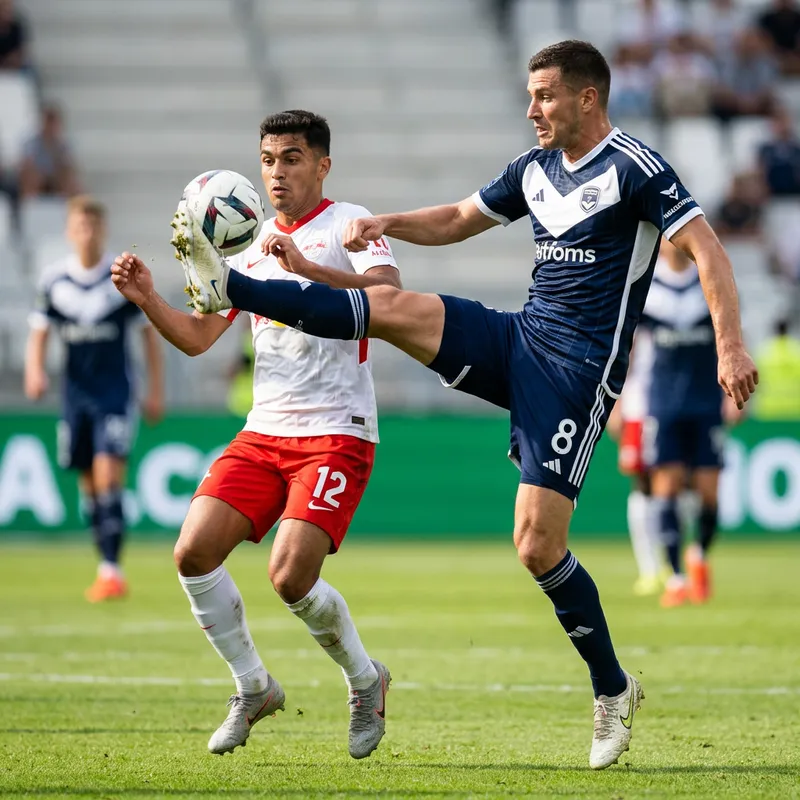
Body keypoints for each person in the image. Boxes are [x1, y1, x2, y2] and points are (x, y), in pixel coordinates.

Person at [148, 41, 758, 770]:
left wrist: (731, 348)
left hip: (577, 375)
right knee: (393, 308)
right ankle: (238, 289)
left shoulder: (637, 167)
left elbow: (708, 250)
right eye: (531, 96)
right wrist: (389, 224)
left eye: (545, 96)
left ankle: (612, 687)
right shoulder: (532, 170)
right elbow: (460, 218)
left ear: (587, 99)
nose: (531, 109)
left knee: (536, 545)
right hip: (520, 336)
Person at [111, 111, 399, 759]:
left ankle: (364, 678)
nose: (277, 171)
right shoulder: (243, 239)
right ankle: (253, 686)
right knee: (191, 554)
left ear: (322, 165)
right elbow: (198, 337)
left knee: (290, 577)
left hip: (336, 432)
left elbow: (388, 301)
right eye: (269, 159)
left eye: (292, 158)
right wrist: (148, 298)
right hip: (264, 432)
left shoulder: (349, 224)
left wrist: (305, 267)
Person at [24, 195, 164, 601]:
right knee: (89, 484)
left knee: (108, 476)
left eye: (93, 226)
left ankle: (112, 570)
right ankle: (106, 566)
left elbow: (147, 339)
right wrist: (35, 372)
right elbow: (39, 333)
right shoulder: (54, 281)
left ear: (102, 231)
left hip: (114, 395)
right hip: (75, 397)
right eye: (80, 225)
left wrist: (155, 391)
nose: (87, 232)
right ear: (70, 231)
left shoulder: (119, 278)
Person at [639, 239, 738, 608]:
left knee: (708, 491)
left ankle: (699, 556)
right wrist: (617, 403)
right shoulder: (646, 287)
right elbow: (629, 348)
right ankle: (676, 578)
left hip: (706, 401)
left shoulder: (709, 284)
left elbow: (731, 339)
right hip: (663, 402)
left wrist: (733, 395)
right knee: (666, 487)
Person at [606, 332, 663, 597]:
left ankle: (674, 564)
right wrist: (615, 405)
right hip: (638, 412)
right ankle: (650, 569)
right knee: (642, 485)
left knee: (676, 485)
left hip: (670, 406)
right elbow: (621, 357)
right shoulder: (639, 309)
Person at [19, 105, 80, 199]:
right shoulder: (32, 143)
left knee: (73, 181)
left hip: (56, 178)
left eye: (53, 123)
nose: (51, 127)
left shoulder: (63, 145)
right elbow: (27, 163)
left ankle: (70, 205)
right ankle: (30, 203)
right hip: (38, 177)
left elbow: (70, 166)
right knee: (30, 176)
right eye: (48, 122)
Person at [754, 319, 800, 420]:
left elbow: (756, 380)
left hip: (768, 408)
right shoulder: (796, 350)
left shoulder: (764, 352)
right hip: (795, 408)